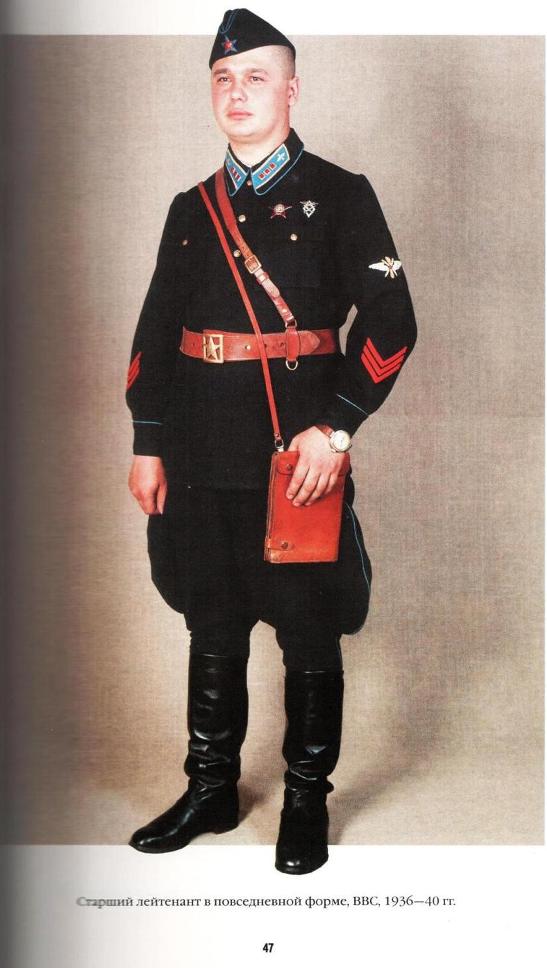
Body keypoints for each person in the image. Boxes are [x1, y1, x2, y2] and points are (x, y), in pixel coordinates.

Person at [126, 8, 417, 875]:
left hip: (298, 458)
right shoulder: (190, 208)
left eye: (255, 76)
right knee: (211, 622)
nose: (237, 91)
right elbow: (155, 331)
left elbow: (392, 319)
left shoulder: (342, 193)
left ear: (292, 90)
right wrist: (147, 440)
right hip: (199, 450)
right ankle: (211, 788)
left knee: (307, 631)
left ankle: (304, 800)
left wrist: (338, 426)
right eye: (223, 78)